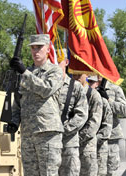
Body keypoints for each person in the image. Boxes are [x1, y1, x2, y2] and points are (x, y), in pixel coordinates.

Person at [8, 34, 64, 176]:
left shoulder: (54, 71)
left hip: (47, 132)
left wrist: (24, 72)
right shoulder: (25, 72)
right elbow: (18, 102)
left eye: (39, 47)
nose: (35, 51)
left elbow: (46, 89)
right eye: (33, 48)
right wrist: (14, 121)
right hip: (28, 134)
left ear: (48, 50)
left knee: (48, 173)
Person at [57, 49, 88, 176]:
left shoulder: (75, 86)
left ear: (66, 62)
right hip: (46, 143)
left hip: (68, 143)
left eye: (58, 61)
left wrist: (62, 130)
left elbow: (82, 114)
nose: (55, 64)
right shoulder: (44, 86)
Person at [72, 73, 103, 176]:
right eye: (73, 75)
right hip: (70, 147)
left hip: (85, 147)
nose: (75, 77)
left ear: (86, 75)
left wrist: (78, 138)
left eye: (78, 75)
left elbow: (94, 123)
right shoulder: (69, 93)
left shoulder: (94, 95)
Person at [96, 76, 126, 176]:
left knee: (110, 170)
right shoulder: (89, 87)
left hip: (111, 137)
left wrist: (108, 100)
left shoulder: (115, 89)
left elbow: (124, 110)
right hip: (93, 136)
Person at [88, 75, 113, 176]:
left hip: (99, 145)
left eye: (92, 82)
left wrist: (93, 139)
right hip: (84, 147)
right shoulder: (81, 99)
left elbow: (107, 127)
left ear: (97, 84)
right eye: (88, 82)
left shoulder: (103, 102)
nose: (90, 85)